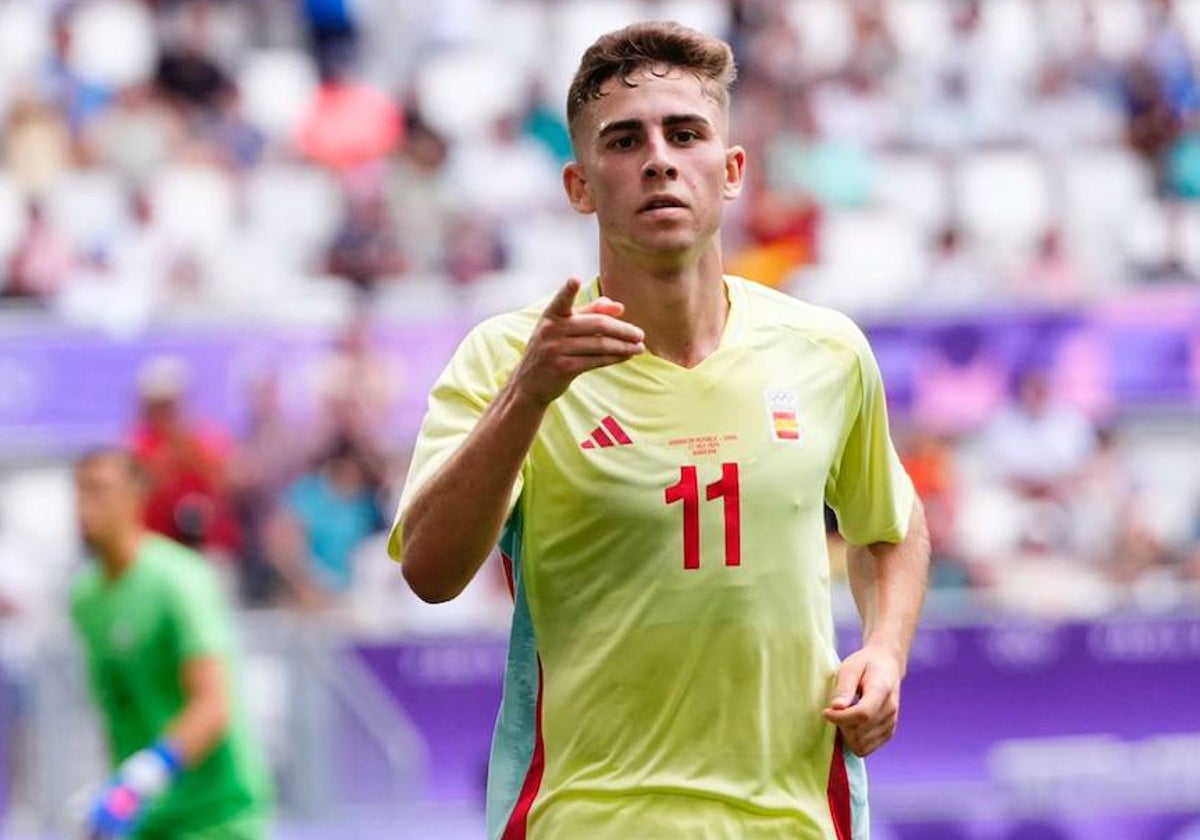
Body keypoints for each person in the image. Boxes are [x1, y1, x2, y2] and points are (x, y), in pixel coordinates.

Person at [390, 21, 929, 839]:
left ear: (732, 169)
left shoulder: (825, 351)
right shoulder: (512, 356)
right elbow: (430, 572)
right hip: (585, 819)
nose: (659, 159)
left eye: (685, 134)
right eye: (624, 140)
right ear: (580, 185)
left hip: (792, 820)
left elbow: (890, 527)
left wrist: (885, 653)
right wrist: (528, 396)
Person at [69, 449, 272, 838]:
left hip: (218, 816)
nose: (85, 506)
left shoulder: (180, 581)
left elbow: (213, 705)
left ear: (136, 496)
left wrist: (141, 778)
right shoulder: (85, 599)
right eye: (79, 492)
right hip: (150, 822)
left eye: (100, 491)